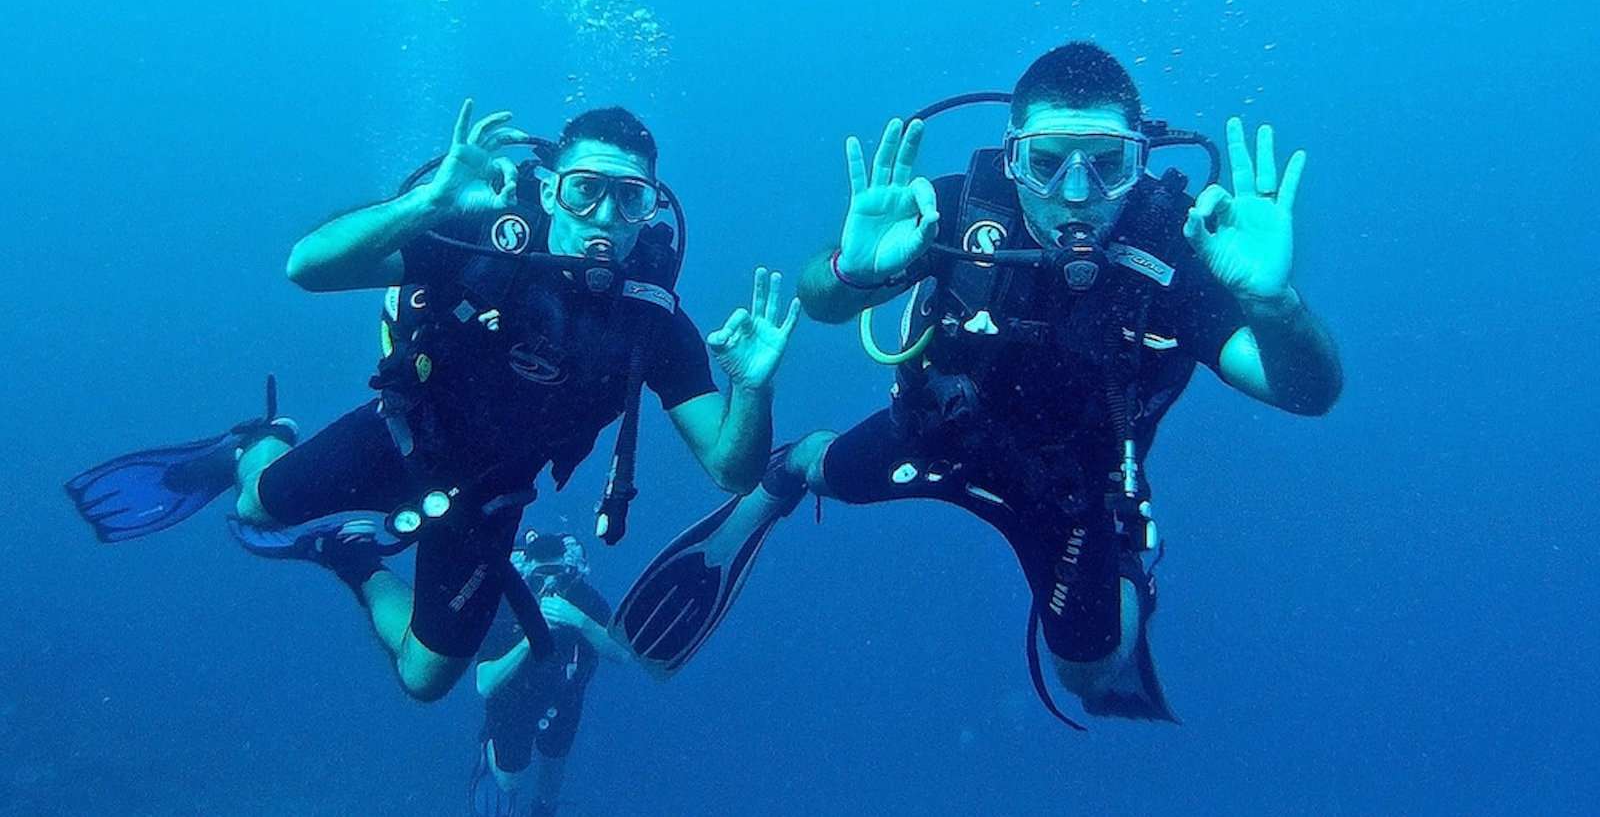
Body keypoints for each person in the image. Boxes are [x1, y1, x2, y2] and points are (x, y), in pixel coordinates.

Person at [611, 42, 1342, 725]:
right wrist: (851, 272)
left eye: (1110, 164)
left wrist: (1275, 305)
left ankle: (1123, 579)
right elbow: (825, 303)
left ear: (1142, 162)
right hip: (937, 436)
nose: (1078, 192)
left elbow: (1307, 393)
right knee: (822, 469)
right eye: (1047, 162)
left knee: (1087, 678)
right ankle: (793, 469)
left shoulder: (1181, 250)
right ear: (1011, 158)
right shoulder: (956, 211)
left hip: (1076, 489)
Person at [65, 99, 801, 703]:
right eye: (585, 189)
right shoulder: (482, 242)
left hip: (491, 496)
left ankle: (348, 555)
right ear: (550, 190)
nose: (605, 214)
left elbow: (732, 471)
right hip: (401, 434)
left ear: (650, 212)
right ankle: (250, 442)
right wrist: (428, 203)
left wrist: (754, 386)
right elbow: (307, 268)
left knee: (427, 679)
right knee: (256, 505)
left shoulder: (654, 321)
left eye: (630, 197)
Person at [469, 530, 627, 817]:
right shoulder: (506, 606)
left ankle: (543, 810)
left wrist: (581, 622)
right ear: (526, 576)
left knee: (554, 765)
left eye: (560, 578)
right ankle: (488, 756)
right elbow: (485, 683)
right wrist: (531, 636)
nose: (550, 589)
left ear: (572, 575)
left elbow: (622, 654)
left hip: (565, 697)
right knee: (509, 778)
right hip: (512, 703)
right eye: (539, 580)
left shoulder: (585, 601)